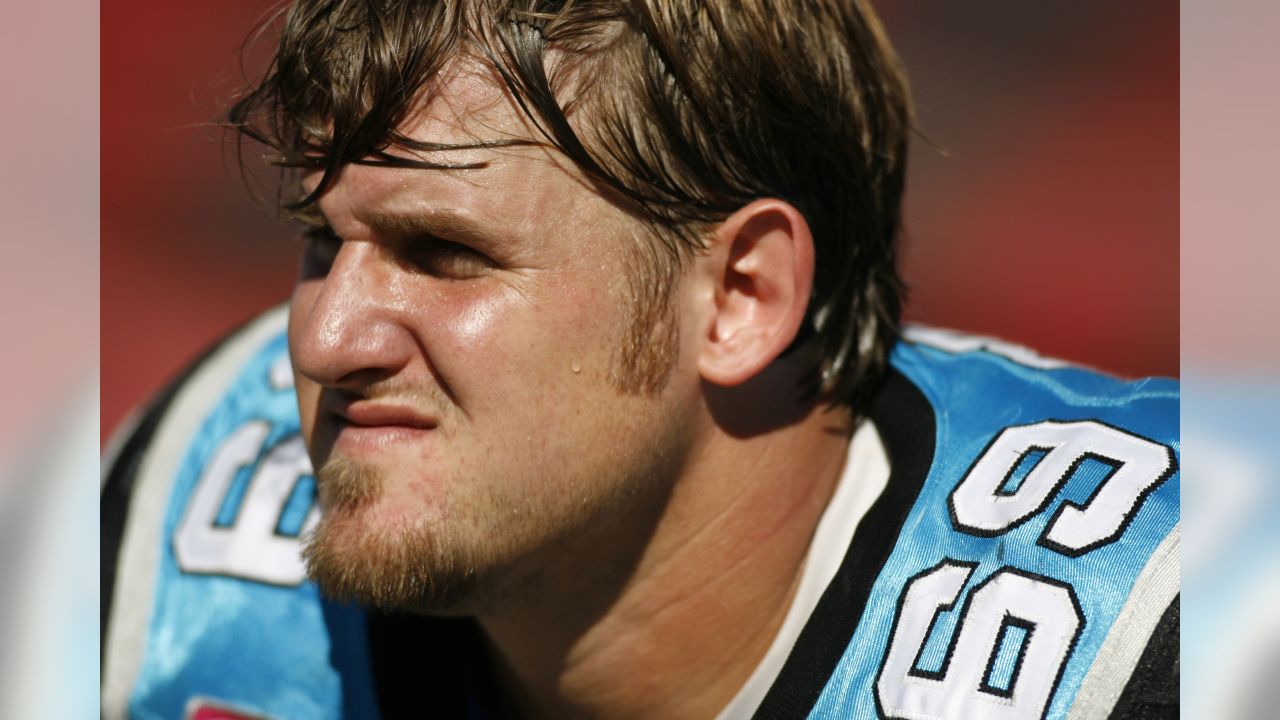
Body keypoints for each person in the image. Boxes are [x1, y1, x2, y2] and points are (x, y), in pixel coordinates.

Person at [101, 1, 1179, 718]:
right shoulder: (177, 522)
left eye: (446, 253)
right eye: (321, 242)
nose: (327, 339)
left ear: (741, 297)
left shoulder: (1174, 629)